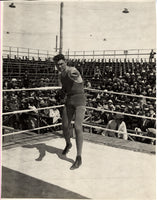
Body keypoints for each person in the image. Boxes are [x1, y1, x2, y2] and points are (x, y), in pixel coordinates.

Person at [53, 54, 86, 170]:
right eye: (57, 65)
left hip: (80, 100)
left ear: (65, 62)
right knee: (65, 126)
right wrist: (60, 93)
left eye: (61, 64)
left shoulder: (72, 70)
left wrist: (75, 73)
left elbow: (77, 76)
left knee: (77, 127)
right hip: (69, 100)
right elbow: (65, 88)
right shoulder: (60, 75)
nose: (59, 66)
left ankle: (78, 157)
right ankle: (68, 143)